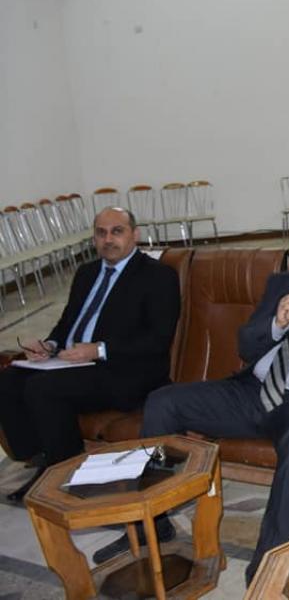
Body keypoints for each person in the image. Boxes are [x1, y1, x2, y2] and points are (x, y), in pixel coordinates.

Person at [94, 213, 289, 584]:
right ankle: (152, 521)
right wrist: (277, 324)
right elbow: (246, 346)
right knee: (163, 402)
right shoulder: (283, 283)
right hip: (250, 391)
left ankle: (270, 568)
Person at [0, 207, 180, 500]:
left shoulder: (158, 276)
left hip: (125, 370)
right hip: (73, 362)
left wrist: (99, 349)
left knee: (43, 389)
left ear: (134, 234)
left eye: (117, 231)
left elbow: (158, 340)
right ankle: (39, 457)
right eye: (101, 233)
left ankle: (66, 472)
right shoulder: (87, 272)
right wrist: (50, 346)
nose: (108, 239)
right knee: (8, 379)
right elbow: (67, 323)